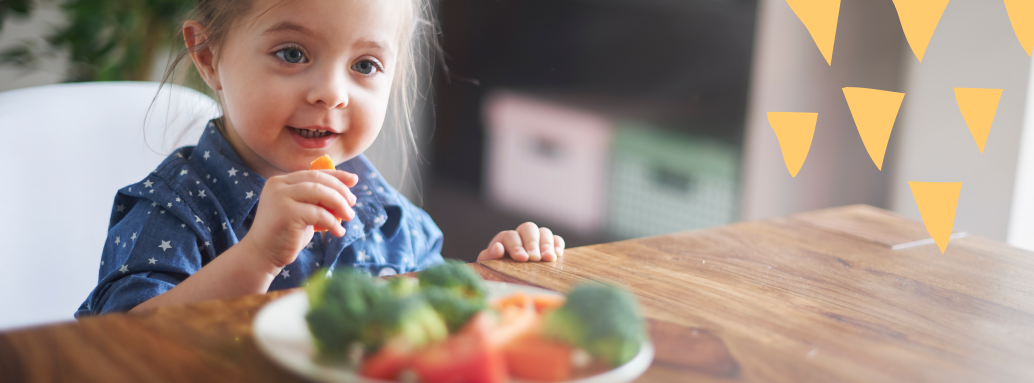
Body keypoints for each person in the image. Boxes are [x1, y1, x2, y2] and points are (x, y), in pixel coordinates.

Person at [76, 0, 564, 317]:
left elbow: (430, 324)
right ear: (208, 56)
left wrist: (493, 279)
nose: (332, 93)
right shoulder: (174, 208)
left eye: (365, 65)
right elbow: (118, 345)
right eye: (292, 54)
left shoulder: (390, 217)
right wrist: (258, 258)